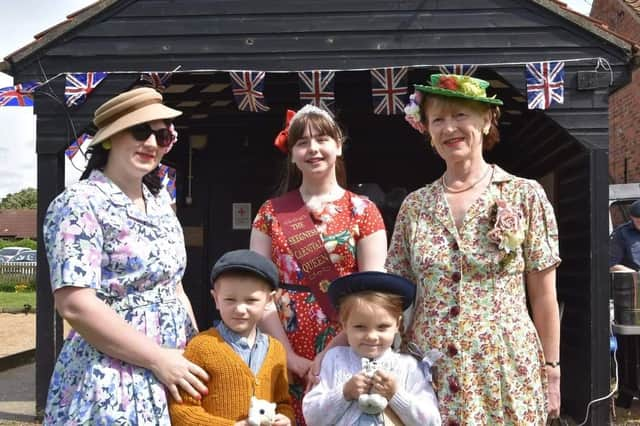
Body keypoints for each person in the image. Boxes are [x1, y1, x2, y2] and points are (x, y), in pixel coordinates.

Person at [387, 74, 562, 424]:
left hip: (506, 367)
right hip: (430, 372)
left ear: (486, 120)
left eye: (460, 115)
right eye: (438, 119)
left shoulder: (524, 195)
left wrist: (552, 370)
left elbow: (543, 295)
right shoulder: (414, 207)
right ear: (427, 130)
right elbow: (394, 295)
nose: (449, 128)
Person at [42, 87, 208, 425]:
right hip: (111, 375)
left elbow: (175, 288)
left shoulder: (161, 206)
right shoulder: (79, 203)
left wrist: (197, 349)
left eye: (161, 135)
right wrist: (157, 359)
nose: (151, 143)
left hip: (174, 370)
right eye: (139, 130)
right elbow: (75, 303)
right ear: (109, 138)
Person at [250, 104, 388, 424]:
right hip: (280, 336)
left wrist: (329, 354)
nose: (313, 149)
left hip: (347, 339)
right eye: (302, 142)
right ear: (292, 153)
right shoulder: (270, 213)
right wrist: (286, 353)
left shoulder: (363, 211)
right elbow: (257, 288)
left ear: (338, 146)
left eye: (322, 139)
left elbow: (372, 293)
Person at [169, 249, 294, 425]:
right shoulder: (201, 347)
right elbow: (182, 412)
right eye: (230, 300)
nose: (240, 309)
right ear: (216, 299)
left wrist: (286, 418)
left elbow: (282, 402)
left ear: (269, 300)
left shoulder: (276, 350)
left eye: (250, 301)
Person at [303, 271, 441, 426]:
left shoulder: (409, 366)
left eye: (382, 327)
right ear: (344, 325)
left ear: (397, 324)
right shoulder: (334, 360)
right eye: (360, 327)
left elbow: (431, 422)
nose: (371, 336)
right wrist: (344, 393)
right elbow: (312, 417)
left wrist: (396, 395)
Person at [610, 200, 640, 272]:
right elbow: (611, 265)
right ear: (632, 218)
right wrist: (635, 275)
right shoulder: (622, 233)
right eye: (639, 222)